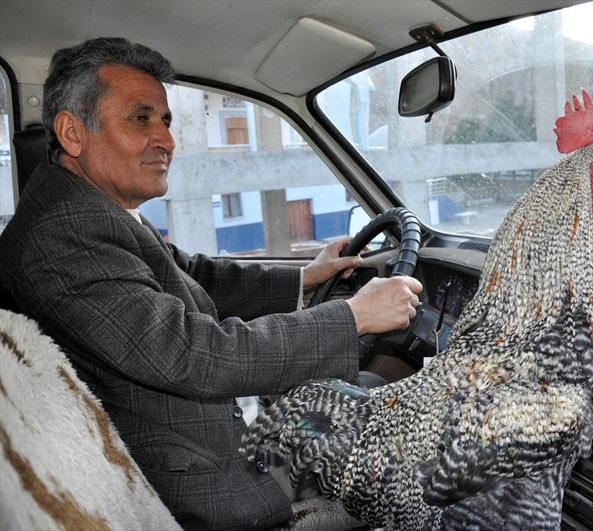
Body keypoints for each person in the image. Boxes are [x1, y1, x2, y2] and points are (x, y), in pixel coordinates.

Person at [0, 37, 422, 530]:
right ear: (73, 133)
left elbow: (191, 274)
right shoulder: (63, 235)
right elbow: (189, 354)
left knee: (374, 409)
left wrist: (305, 279)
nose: (166, 140)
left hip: (196, 446)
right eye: (141, 119)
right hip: (202, 488)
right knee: (413, 460)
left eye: (166, 121)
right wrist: (353, 317)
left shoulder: (90, 210)